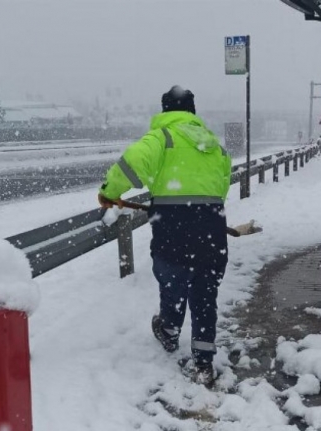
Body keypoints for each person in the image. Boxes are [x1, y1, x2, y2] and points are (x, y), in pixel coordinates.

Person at [97, 85, 231, 387]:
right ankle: (204, 362)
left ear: (165, 110)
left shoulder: (162, 138)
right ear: (193, 112)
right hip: (211, 229)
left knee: (173, 284)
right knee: (205, 295)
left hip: (173, 229)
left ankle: (169, 332)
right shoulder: (214, 145)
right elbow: (221, 188)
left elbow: (130, 165)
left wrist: (109, 192)